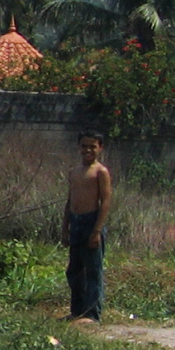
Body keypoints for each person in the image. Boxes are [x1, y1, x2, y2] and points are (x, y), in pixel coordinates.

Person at [65, 131, 112, 323]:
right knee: (74, 270)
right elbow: (69, 201)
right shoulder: (74, 172)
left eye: (92, 146)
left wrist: (97, 231)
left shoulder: (100, 172)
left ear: (100, 148)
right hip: (75, 223)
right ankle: (77, 311)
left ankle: (92, 315)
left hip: (91, 222)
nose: (88, 150)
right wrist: (65, 229)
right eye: (84, 146)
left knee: (93, 270)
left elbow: (106, 201)